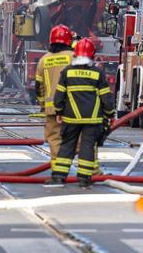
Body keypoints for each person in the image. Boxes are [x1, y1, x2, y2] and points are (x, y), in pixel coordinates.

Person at [46, 38, 114, 189]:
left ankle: (58, 177)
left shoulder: (67, 72)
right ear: (92, 55)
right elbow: (106, 98)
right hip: (92, 120)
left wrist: (59, 111)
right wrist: (110, 114)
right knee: (87, 147)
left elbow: (59, 96)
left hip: (70, 118)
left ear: (75, 54)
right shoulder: (97, 73)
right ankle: (84, 178)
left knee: (67, 145)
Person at [35, 24, 74, 161]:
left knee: (55, 140)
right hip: (74, 108)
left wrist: (43, 104)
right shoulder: (73, 57)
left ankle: (59, 172)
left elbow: (38, 87)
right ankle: (91, 172)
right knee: (81, 141)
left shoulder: (43, 60)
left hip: (52, 110)